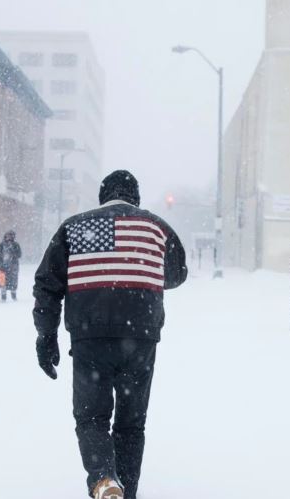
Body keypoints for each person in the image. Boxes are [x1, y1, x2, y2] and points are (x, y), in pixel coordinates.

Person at [32, 170, 188, 499]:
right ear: (136, 197)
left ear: (103, 196)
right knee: (131, 423)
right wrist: (139, 269)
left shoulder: (74, 227)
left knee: (91, 416)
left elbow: (48, 283)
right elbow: (176, 274)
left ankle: (104, 479)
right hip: (141, 337)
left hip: (90, 337)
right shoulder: (157, 226)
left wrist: (46, 335)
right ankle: (125, 492)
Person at [0, 230, 22, 301]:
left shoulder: (16, 245)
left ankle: (14, 296)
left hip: (13, 267)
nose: (9, 237)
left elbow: (19, 254)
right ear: (5, 236)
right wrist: (2, 255)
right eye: (8, 235)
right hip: (3, 267)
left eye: (11, 235)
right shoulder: (1, 245)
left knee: (14, 281)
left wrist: (13, 254)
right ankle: (3, 297)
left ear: (13, 236)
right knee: (2, 281)